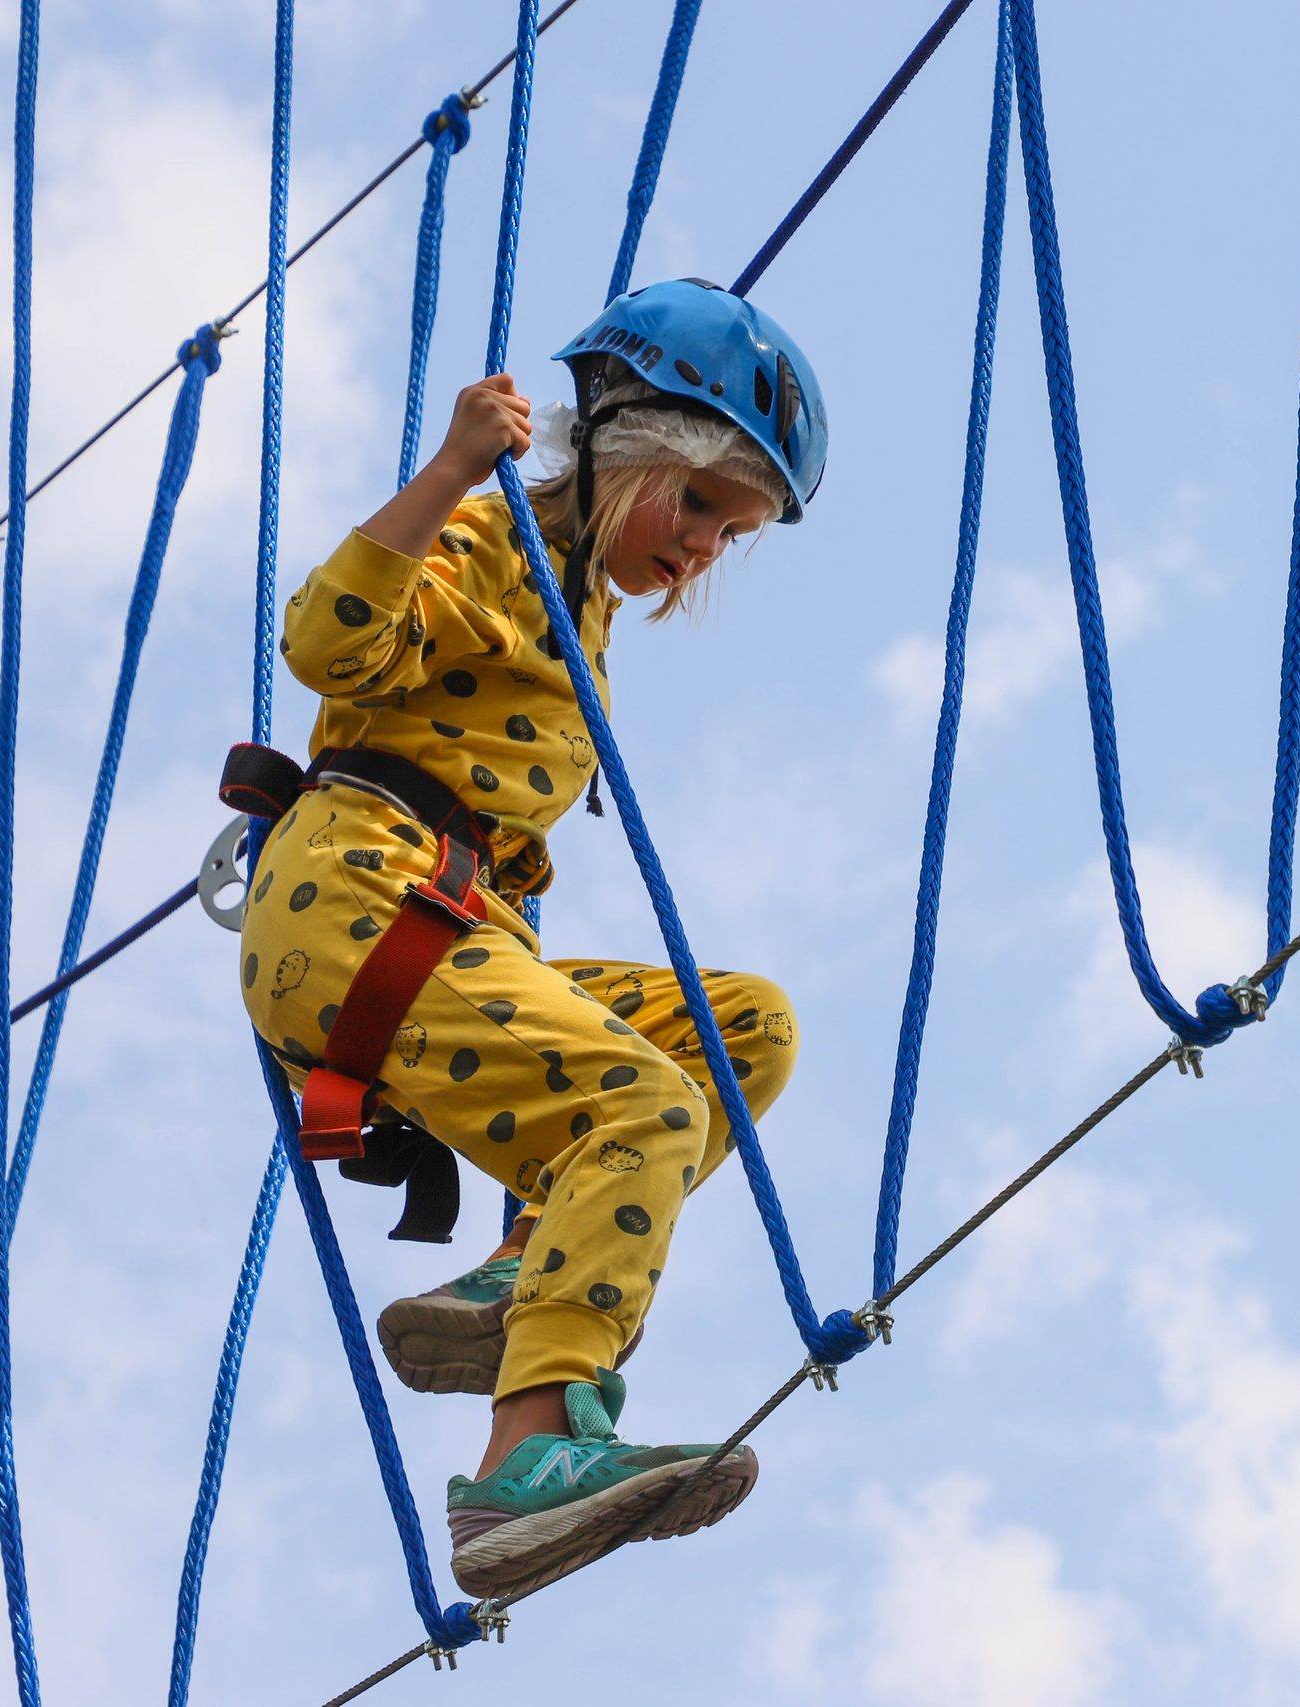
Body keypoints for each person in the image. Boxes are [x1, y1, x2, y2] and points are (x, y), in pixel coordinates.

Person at [236, 279, 828, 1597]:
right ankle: (531, 1454)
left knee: (744, 1031)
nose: (706, 551)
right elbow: (323, 644)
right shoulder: (494, 542)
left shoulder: (583, 606)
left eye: (733, 534)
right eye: (701, 509)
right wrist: (449, 469)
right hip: (360, 900)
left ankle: (525, 1274)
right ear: (626, 452)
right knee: (650, 1111)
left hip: (438, 920)